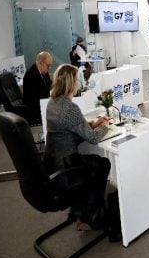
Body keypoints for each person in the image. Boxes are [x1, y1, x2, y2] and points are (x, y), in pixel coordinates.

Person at [44, 64, 113, 234]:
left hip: (53, 163)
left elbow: (71, 126)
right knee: (102, 165)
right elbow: (93, 138)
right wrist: (105, 125)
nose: (79, 84)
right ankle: (89, 216)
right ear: (70, 83)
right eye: (77, 80)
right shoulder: (70, 108)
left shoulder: (53, 103)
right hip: (67, 168)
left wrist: (91, 124)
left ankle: (80, 209)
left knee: (95, 162)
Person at [23, 51, 53, 124]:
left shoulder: (43, 71)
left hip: (43, 102)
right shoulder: (31, 75)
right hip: (35, 109)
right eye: (48, 65)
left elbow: (49, 84)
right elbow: (34, 99)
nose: (50, 68)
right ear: (40, 63)